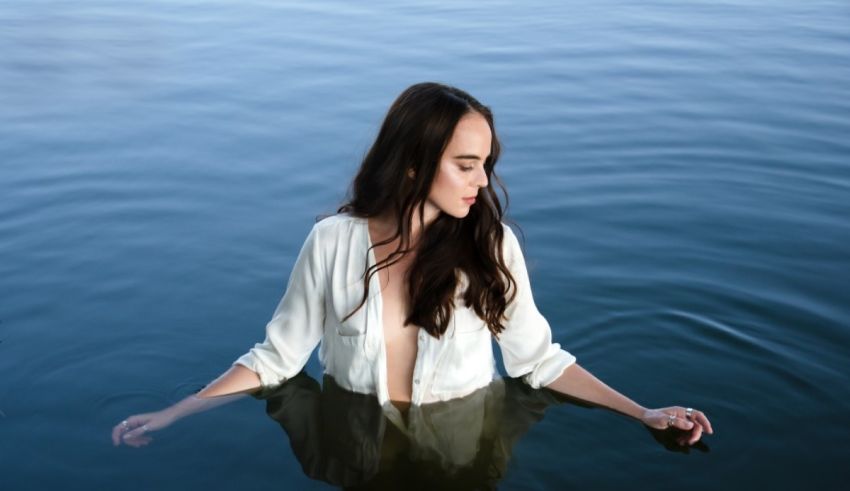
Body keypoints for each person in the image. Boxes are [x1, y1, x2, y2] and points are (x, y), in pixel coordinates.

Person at [113, 82, 713, 449]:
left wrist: (644, 413)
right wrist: (174, 415)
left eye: (486, 163)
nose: (483, 181)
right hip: (352, 450)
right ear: (411, 165)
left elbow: (541, 362)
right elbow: (276, 359)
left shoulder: (491, 248)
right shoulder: (330, 243)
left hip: (463, 450)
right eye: (466, 164)